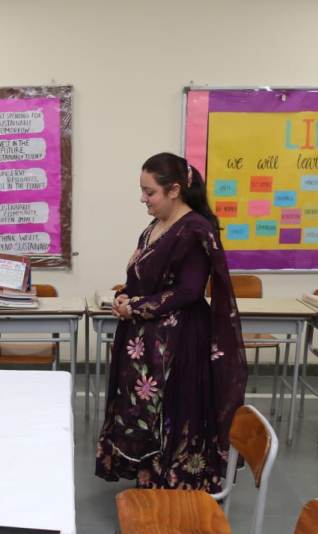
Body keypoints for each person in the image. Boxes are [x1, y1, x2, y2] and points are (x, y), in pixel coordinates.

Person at [95, 153, 247, 492]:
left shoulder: (195, 230)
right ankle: (150, 475)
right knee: (147, 411)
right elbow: (145, 279)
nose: (143, 199)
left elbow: (189, 291)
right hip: (148, 341)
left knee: (175, 410)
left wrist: (135, 307)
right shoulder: (155, 226)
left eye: (149, 192)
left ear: (174, 190)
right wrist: (124, 296)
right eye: (142, 190)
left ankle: (176, 483)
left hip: (179, 342)